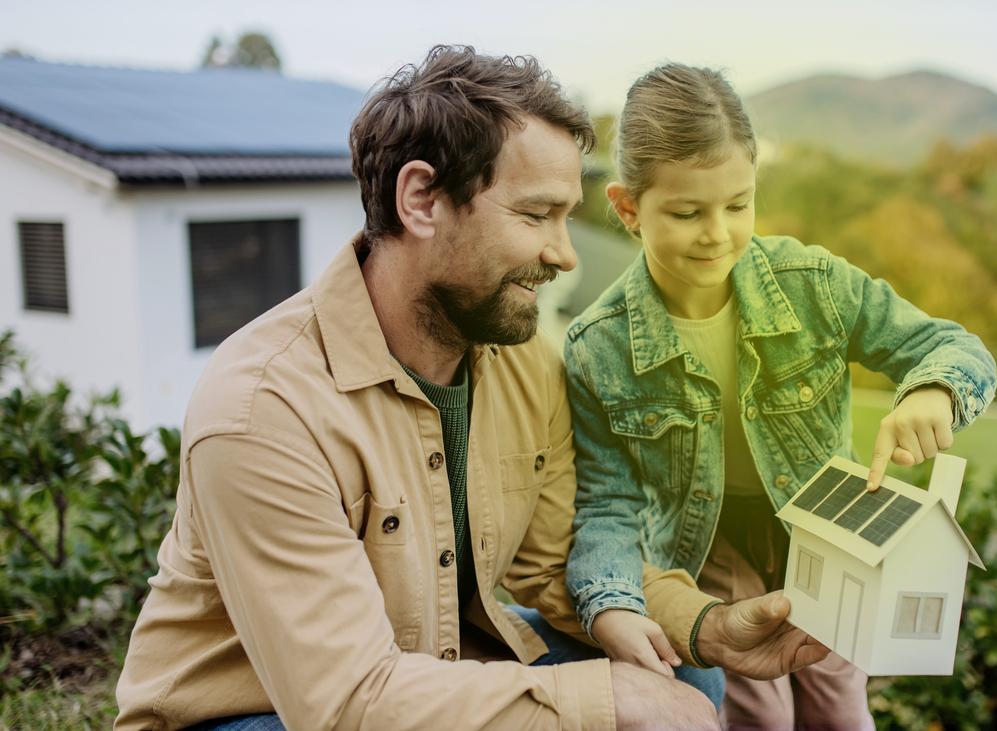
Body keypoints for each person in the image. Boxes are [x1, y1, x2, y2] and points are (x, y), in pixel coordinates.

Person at [113, 47, 827, 731]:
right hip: (252, 713)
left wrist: (707, 625)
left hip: (423, 670)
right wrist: (597, 700)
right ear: (422, 199)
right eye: (535, 214)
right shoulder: (262, 409)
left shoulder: (522, 361)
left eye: (567, 216)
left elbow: (558, 561)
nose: (565, 253)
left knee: (678, 673)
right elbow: (346, 705)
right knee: (619, 699)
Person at [564, 63, 997, 730]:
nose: (719, 232)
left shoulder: (815, 284)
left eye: (739, 204)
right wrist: (613, 599)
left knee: (840, 707)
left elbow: (952, 346)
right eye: (687, 212)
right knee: (754, 714)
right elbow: (607, 500)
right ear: (627, 208)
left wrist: (934, 391)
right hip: (705, 554)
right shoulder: (599, 346)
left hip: (825, 535)